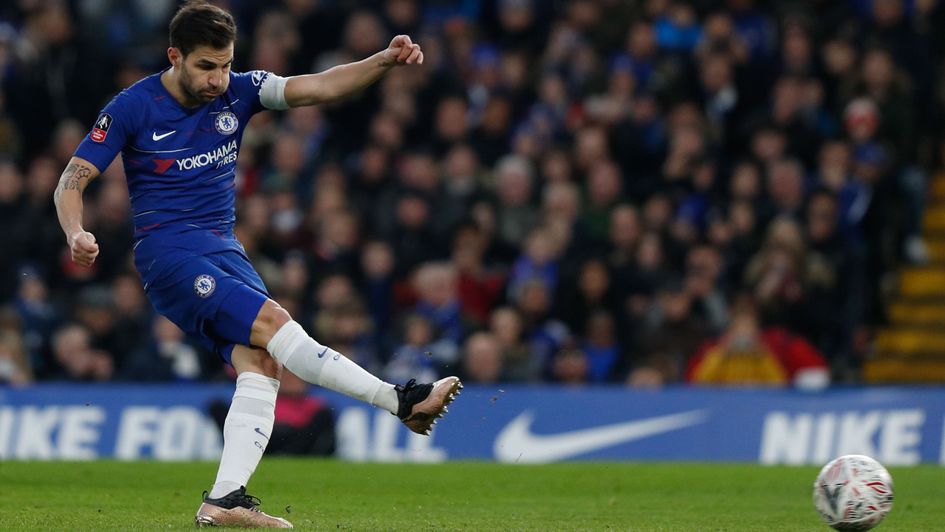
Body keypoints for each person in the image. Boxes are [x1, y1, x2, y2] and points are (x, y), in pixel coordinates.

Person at [52, 2, 462, 528]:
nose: (218, 79)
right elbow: (73, 178)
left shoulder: (240, 91)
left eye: (226, 65)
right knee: (275, 324)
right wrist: (76, 231)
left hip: (225, 251)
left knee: (264, 364)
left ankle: (224, 500)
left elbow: (320, 86)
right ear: (175, 56)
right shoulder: (133, 106)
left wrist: (382, 60)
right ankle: (402, 400)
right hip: (169, 254)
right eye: (206, 66)